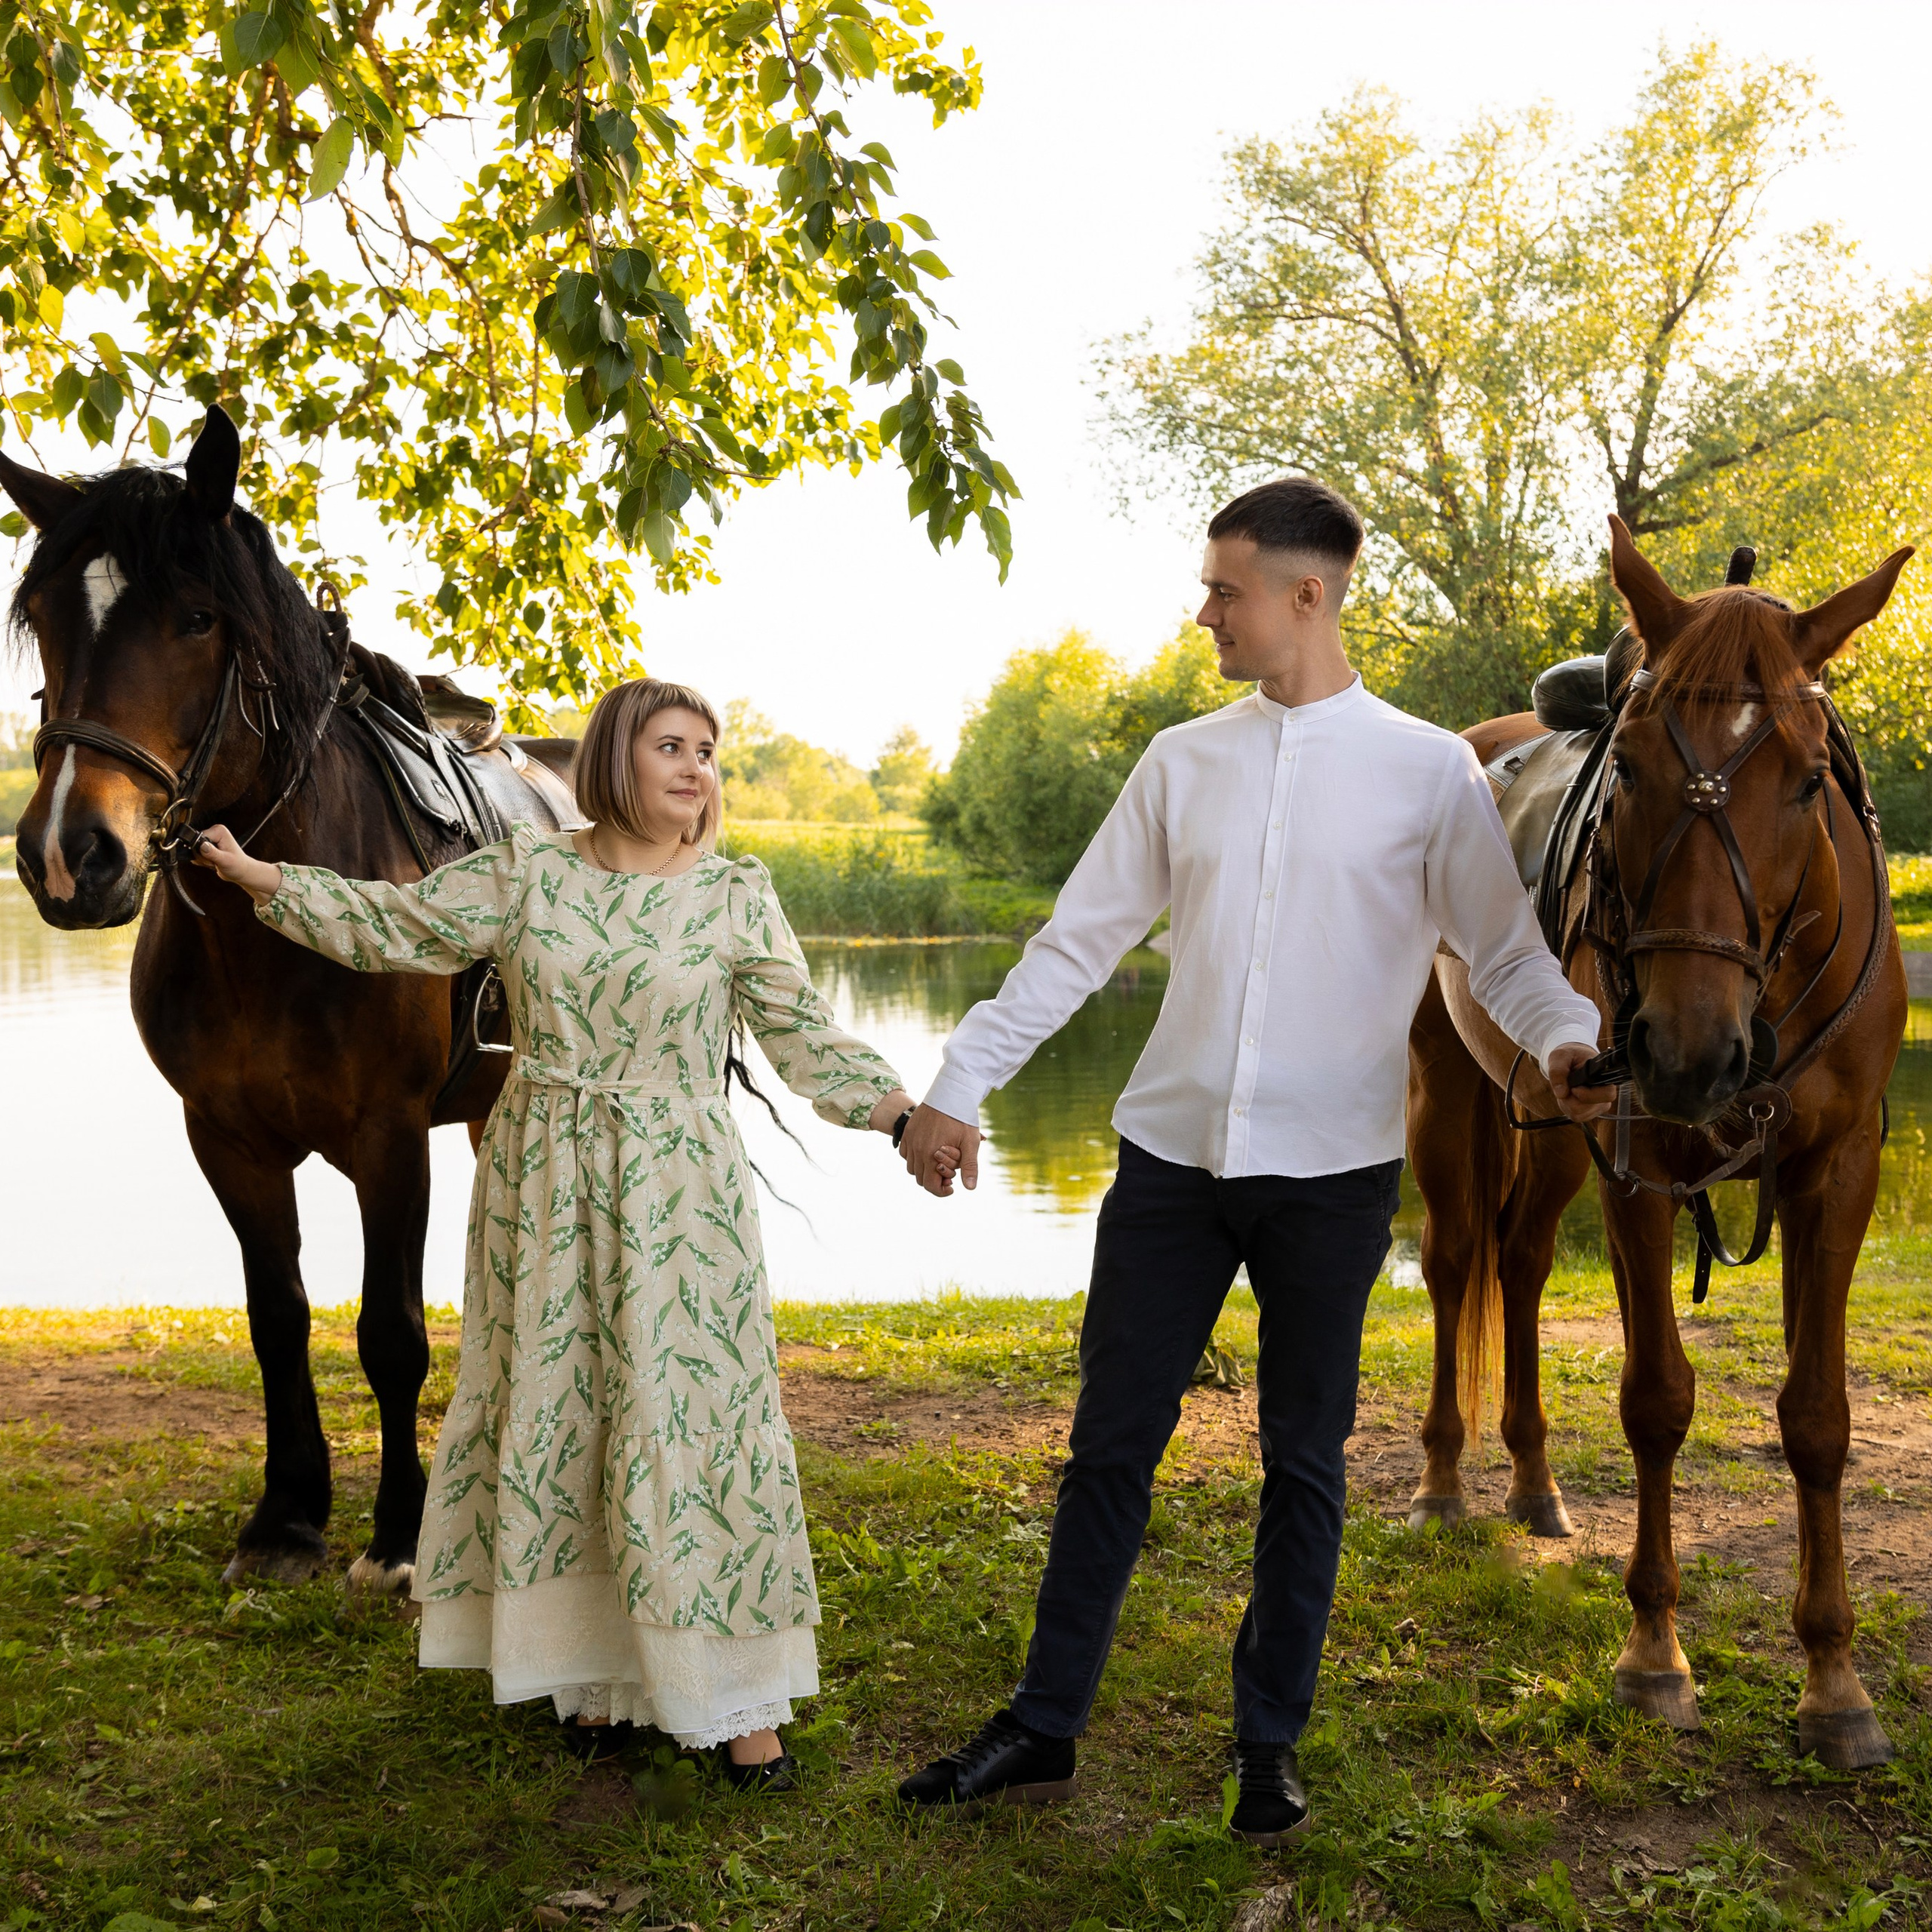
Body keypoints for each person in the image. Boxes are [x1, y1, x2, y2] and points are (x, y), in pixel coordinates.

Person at [893, 478, 1614, 1842]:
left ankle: (1267, 1744)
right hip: (1169, 1161)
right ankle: (1044, 1725)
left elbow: (1503, 952)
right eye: (1208, 587)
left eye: (1226, 589)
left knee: (1306, 1464)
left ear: (1308, 594)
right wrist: (957, 1084)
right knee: (1109, 1448)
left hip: (1333, 1178)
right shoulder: (1181, 760)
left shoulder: (1425, 771)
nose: (1205, 611)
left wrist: (1567, 1042)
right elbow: (1075, 943)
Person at [194, 678, 919, 1791]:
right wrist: (260, 879)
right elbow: (398, 925)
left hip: (680, 1191)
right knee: (566, 1410)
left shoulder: (735, 894)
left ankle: (736, 1702)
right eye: (671, 746)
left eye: (708, 752)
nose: (697, 768)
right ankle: (591, 1676)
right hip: (545, 1176)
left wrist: (903, 1116)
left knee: (692, 1421)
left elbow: (804, 1037)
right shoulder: (528, 875)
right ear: (616, 759)